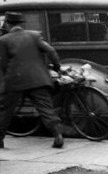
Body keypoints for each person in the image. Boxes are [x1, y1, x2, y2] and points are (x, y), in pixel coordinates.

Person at [0, 12, 64, 149]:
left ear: (7, 24)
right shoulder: (34, 35)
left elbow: (3, 63)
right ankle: (57, 133)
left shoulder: (4, 40)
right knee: (46, 108)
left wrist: (7, 78)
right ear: (21, 23)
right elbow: (51, 50)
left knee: (5, 110)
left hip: (15, 80)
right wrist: (57, 66)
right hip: (38, 78)